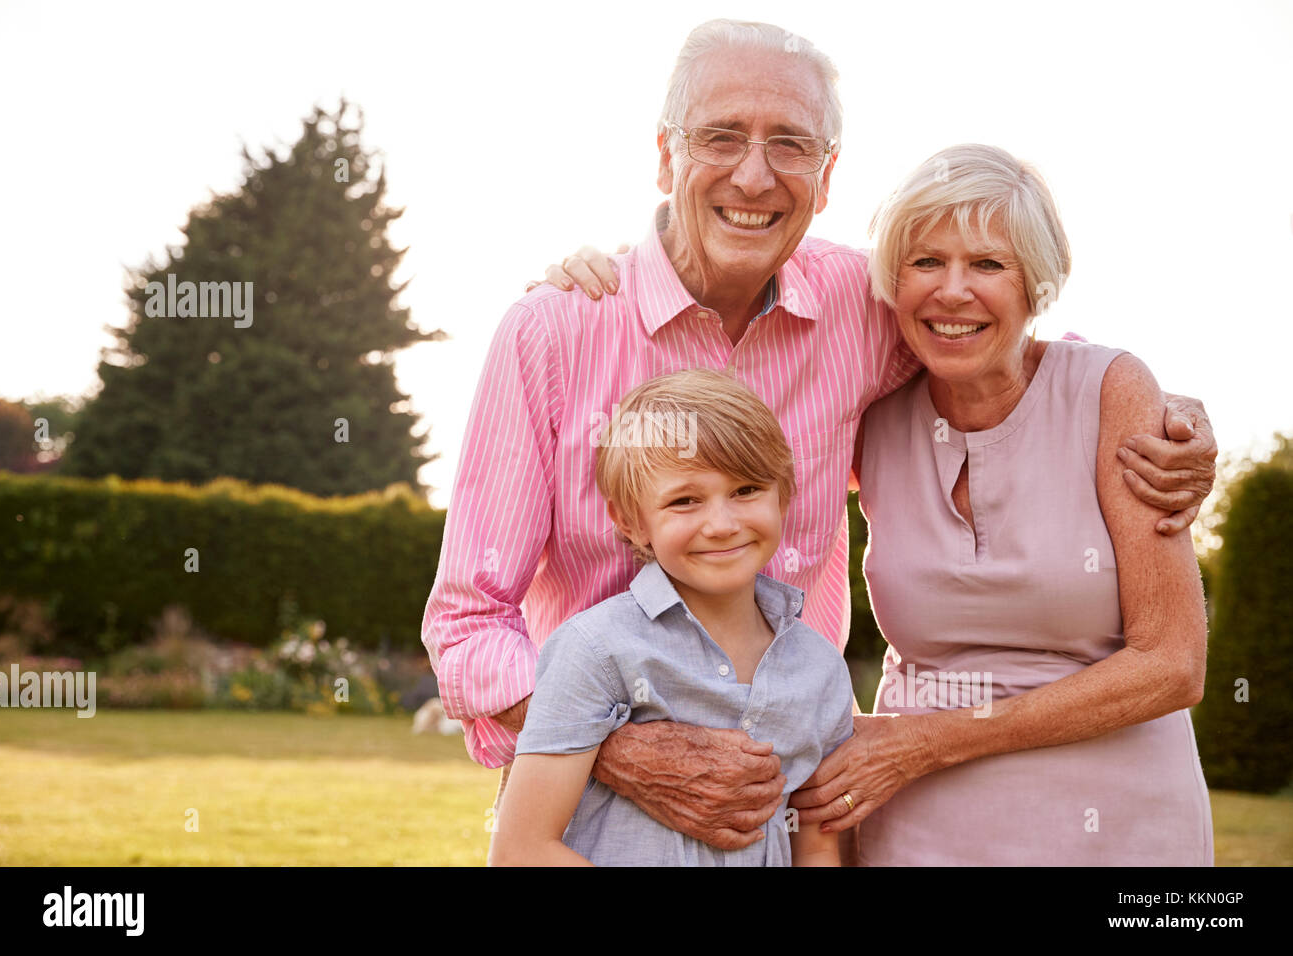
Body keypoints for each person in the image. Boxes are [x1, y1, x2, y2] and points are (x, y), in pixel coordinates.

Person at [423, 18, 1216, 858]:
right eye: (721, 136)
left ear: (827, 174)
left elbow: (982, 327)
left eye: (791, 144)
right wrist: (622, 751)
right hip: (590, 813)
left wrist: (1156, 409)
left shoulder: (855, 305)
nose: (755, 175)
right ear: (664, 155)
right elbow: (468, 623)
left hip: (786, 805)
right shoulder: (555, 331)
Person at [782, 143, 1210, 864]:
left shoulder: (1112, 391)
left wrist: (922, 743)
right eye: (924, 262)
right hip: (917, 829)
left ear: (1034, 282)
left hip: (1118, 830)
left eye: (987, 264)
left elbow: (1174, 664)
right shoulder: (873, 416)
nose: (952, 291)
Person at [489, 369, 853, 866]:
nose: (723, 525)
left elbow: (816, 845)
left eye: (747, 490)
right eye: (685, 501)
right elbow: (522, 850)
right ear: (632, 522)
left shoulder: (820, 668)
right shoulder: (595, 650)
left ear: (784, 492)